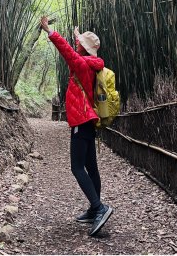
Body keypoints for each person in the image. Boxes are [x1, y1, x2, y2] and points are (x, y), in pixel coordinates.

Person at [40, 15, 113, 237]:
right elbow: (76, 51)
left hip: (81, 120)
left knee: (77, 167)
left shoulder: (80, 64)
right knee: (91, 167)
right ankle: (94, 209)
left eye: (79, 43)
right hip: (89, 120)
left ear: (82, 49)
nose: (76, 45)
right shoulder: (91, 64)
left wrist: (50, 31)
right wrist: (78, 36)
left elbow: (68, 52)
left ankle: (99, 208)